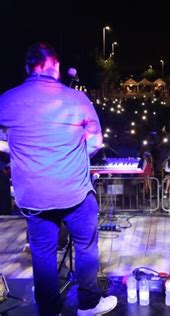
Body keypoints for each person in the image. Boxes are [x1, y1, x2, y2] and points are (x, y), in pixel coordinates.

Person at [0, 42, 117, 316]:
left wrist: (11, 147)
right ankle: (88, 305)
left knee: (42, 254)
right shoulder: (76, 99)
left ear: (28, 68)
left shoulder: (7, 100)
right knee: (85, 246)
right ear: (55, 66)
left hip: (33, 197)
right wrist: (74, 152)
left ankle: (49, 310)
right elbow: (96, 142)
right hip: (74, 191)